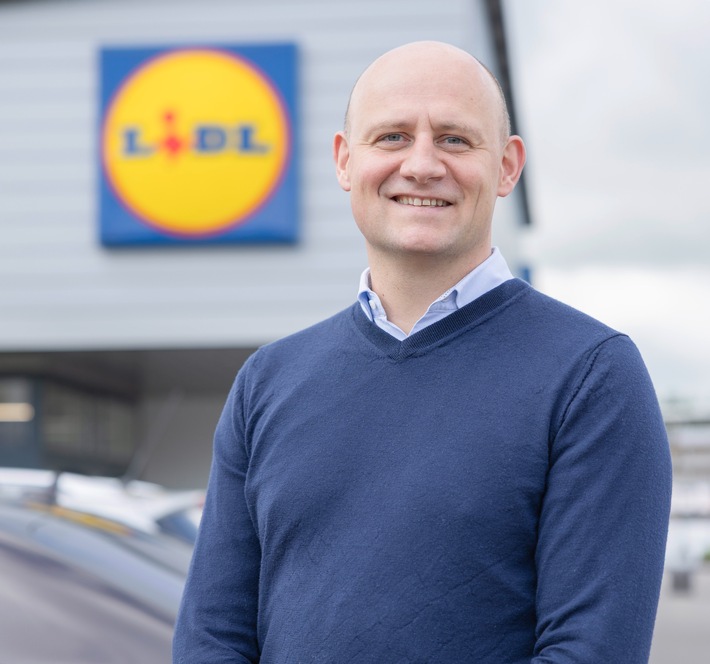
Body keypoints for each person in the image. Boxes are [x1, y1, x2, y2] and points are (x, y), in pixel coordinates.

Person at [173, 41, 672, 663]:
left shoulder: (591, 376)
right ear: (345, 161)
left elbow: (591, 651)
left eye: (455, 140)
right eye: (392, 137)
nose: (422, 164)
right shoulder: (267, 382)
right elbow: (211, 638)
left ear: (508, 167)